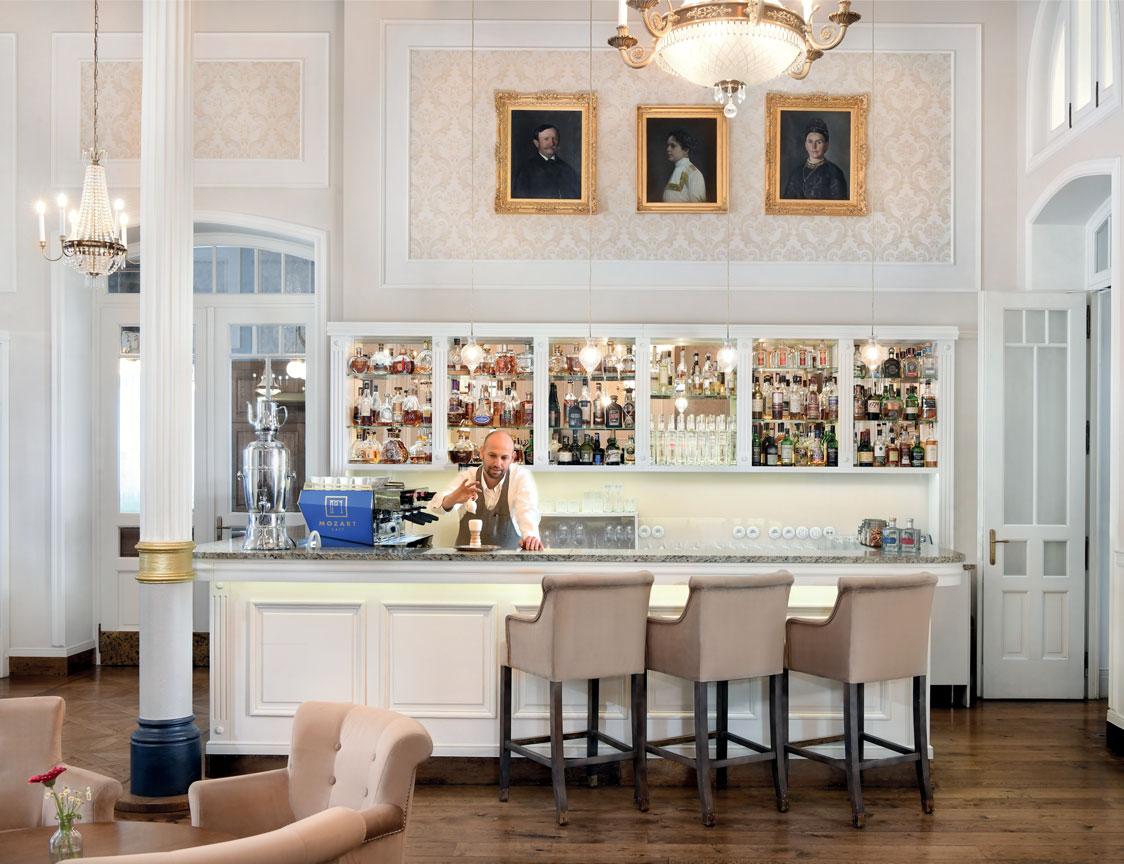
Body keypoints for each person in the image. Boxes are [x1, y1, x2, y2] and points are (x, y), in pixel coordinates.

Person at [429, 429, 544, 551]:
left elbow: (527, 510)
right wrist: (453, 498)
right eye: (492, 455)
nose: (497, 463)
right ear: (482, 452)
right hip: (465, 561)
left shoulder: (520, 477)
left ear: (513, 458)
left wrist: (530, 537)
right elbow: (435, 507)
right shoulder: (468, 477)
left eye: (504, 457)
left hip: (508, 561)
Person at [782, 118, 848, 201]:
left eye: (819, 142)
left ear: (826, 145)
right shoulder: (796, 173)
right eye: (810, 142)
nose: (814, 147)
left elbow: (840, 205)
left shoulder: (835, 173)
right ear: (805, 144)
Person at [512, 122, 581, 200]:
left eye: (554, 138)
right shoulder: (525, 171)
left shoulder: (567, 169)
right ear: (536, 143)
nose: (551, 143)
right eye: (546, 139)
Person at [661, 128, 706, 203]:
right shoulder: (676, 170)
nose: (668, 149)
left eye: (673, 146)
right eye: (668, 145)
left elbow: (698, 207)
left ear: (686, 150)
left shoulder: (694, 174)